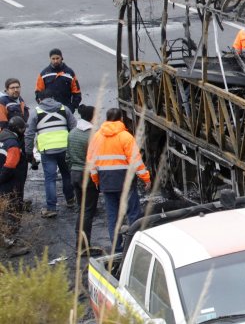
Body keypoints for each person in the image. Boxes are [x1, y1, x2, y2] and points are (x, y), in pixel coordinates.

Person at [88, 108, 151, 252]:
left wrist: (96, 180)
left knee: (113, 217)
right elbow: (136, 161)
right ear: (121, 119)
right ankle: (134, 246)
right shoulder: (126, 137)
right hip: (125, 182)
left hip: (106, 182)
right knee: (133, 214)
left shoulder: (97, 137)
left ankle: (117, 247)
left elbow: (91, 163)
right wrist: (146, 178)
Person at [25, 90, 77, 218]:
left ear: (39, 99)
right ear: (53, 97)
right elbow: (74, 128)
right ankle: (70, 200)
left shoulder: (35, 112)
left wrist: (28, 152)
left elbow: (29, 134)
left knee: (50, 179)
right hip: (65, 148)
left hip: (47, 150)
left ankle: (51, 208)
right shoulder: (64, 109)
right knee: (66, 174)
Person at [68, 104, 101, 255]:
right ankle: (83, 247)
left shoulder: (72, 133)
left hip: (74, 174)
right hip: (87, 176)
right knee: (88, 212)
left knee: (81, 210)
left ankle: (79, 244)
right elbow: (96, 159)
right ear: (92, 117)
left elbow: (67, 157)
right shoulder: (93, 134)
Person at [0, 116, 30, 257]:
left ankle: (6, 241)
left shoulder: (2, 137)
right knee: (12, 213)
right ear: (18, 129)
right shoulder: (12, 144)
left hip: (5, 184)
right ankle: (10, 246)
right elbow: (10, 166)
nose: (24, 131)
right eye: (23, 128)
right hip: (10, 185)